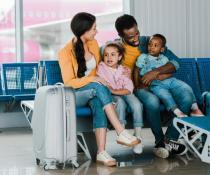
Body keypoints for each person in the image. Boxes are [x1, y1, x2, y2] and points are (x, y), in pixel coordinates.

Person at [58, 12, 140, 167]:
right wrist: (92, 79)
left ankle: (101, 152)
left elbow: (104, 67)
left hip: (95, 91)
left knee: (98, 103)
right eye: (94, 28)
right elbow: (69, 82)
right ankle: (121, 131)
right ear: (85, 30)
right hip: (76, 94)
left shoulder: (93, 44)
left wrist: (121, 71)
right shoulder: (64, 53)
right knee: (97, 86)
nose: (97, 31)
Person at [114, 14, 192, 158]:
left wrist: (155, 72)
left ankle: (168, 140)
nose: (136, 38)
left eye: (137, 33)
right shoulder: (116, 48)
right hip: (140, 87)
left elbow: (175, 62)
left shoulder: (149, 41)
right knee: (152, 102)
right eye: (131, 36)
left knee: (187, 98)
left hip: (161, 82)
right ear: (120, 35)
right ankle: (160, 142)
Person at [135, 34, 204, 118]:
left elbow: (171, 71)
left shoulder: (164, 58)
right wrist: (138, 85)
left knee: (185, 86)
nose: (151, 47)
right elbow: (136, 70)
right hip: (156, 84)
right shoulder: (143, 57)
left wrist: (163, 75)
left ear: (162, 49)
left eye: (155, 45)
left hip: (170, 80)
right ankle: (175, 110)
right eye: (150, 44)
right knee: (164, 95)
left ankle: (195, 108)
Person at [97, 42, 144, 154]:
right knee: (120, 103)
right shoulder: (101, 68)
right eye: (106, 55)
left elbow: (129, 88)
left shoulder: (124, 69)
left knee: (137, 105)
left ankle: (138, 135)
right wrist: (113, 91)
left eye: (113, 54)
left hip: (124, 92)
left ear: (119, 57)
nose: (109, 57)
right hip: (112, 95)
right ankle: (122, 133)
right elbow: (105, 86)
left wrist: (115, 90)